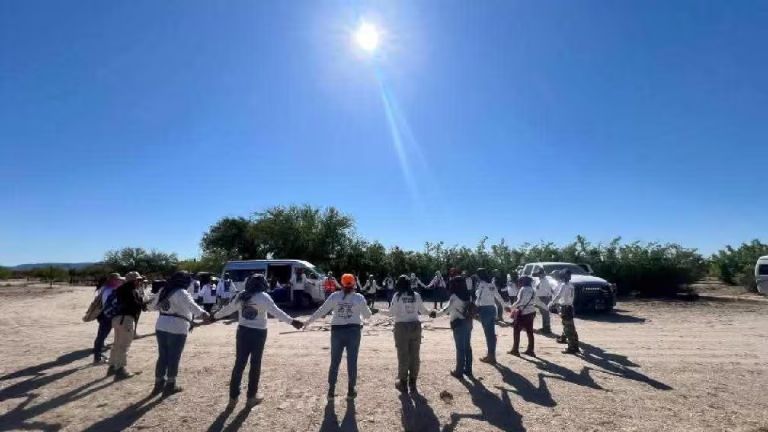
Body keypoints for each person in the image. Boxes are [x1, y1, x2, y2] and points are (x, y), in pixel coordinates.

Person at [214, 275, 303, 409]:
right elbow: (276, 312)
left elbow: (227, 309)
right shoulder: (263, 297)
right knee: (255, 365)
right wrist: (292, 321)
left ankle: (233, 398)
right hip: (259, 333)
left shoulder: (241, 295)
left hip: (243, 332)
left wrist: (213, 316)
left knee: (239, 364)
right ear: (262, 284)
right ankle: (251, 397)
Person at [305, 273, 373, 400]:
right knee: (352, 361)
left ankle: (331, 391)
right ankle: (351, 391)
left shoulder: (334, 296)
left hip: (337, 331)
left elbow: (321, 310)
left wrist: (307, 322)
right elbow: (368, 315)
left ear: (341, 283)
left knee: (335, 361)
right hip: (354, 331)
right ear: (354, 284)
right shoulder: (359, 298)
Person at [148, 271, 210, 396]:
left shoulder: (164, 290)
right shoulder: (181, 292)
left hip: (161, 325)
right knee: (174, 356)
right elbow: (193, 307)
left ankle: (158, 382)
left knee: (163, 356)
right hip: (177, 328)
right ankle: (170, 384)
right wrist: (205, 315)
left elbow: (151, 307)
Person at [383, 275, 431, 393]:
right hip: (415, 326)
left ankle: (403, 382)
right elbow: (424, 311)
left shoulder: (397, 296)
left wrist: (377, 310)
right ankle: (413, 381)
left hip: (401, 327)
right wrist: (432, 313)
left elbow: (391, 313)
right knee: (415, 355)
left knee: (403, 355)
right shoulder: (416, 295)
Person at [431, 274, 473, 379]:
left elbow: (446, 310)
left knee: (460, 349)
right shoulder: (468, 295)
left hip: (458, 324)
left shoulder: (454, 297)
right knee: (467, 347)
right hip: (468, 323)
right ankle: (468, 370)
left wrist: (435, 314)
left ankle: (459, 371)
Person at [107, 271, 147, 380]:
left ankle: (112, 366)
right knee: (124, 345)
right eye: (138, 280)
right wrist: (144, 304)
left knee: (117, 343)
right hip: (126, 320)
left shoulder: (120, 289)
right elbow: (134, 305)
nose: (140, 282)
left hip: (117, 319)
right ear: (134, 280)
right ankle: (120, 370)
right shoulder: (131, 291)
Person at [474, 268, 510, 364]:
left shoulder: (481, 284)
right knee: (491, 333)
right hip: (492, 309)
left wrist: (475, 308)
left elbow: (478, 298)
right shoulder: (491, 284)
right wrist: (504, 305)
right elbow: (498, 296)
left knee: (488, 334)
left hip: (484, 310)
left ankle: (491, 356)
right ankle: (491, 354)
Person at [92, 273, 123, 364]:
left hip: (104, 315)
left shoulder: (105, 288)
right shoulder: (110, 290)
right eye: (118, 280)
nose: (119, 281)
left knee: (101, 336)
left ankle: (98, 355)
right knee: (101, 337)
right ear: (113, 280)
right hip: (107, 316)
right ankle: (97, 358)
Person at [548, 269, 580, 354]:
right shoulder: (571, 286)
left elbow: (558, 296)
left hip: (565, 308)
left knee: (567, 328)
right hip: (570, 307)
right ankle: (575, 346)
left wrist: (551, 303)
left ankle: (571, 347)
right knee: (571, 327)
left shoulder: (563, 285)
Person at [509, 276, 537, 357]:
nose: (519, 283)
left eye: (521, 281)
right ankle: (530, 350)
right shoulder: (533, 290)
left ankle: (515, 349)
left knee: (516, 330)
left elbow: (520, 301)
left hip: (523, 313)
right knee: (530, 331)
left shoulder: (523, 289)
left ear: (524, 281)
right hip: (531, 312)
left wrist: (511, 307)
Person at [533, 268, 554, 334]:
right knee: (543, 313)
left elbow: (550, 289)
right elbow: (536, 288)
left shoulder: (547, 280)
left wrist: (549, 297)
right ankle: (545, 327)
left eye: (540, 273)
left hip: (545, 298)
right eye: (538, 274)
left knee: (545, 313)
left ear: (543, 274)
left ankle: (547, 328)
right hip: (539, 298)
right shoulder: (538, 280)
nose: (539, 275)